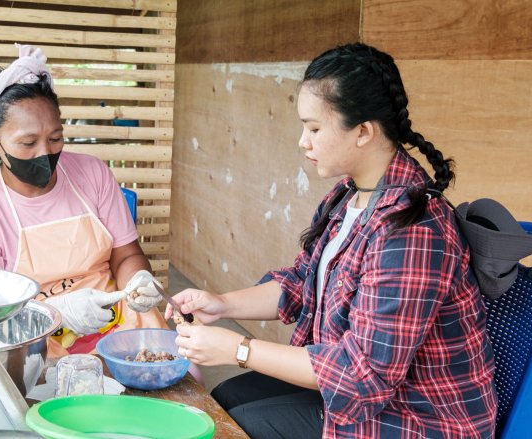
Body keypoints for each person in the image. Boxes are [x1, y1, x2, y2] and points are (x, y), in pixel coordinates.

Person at [167, 43, 497, 438]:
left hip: (417, 420)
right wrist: (220, 305)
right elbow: (302, 283)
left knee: (238, 426)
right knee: (230, 399)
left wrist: (239, 350)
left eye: (314, 128)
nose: (303, 142)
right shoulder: (350, 195)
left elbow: (364, 376)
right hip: (366, 396)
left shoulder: (413, 230)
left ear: (363, 132)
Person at [0, 44, 168, 356]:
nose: (44, 153)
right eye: (27, 142)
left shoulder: (92, 173)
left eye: (55, 138)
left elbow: (125, 255)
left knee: (184, 374)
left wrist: (138, 281)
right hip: (31, 342)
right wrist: (56, 313)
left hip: (117, 322)